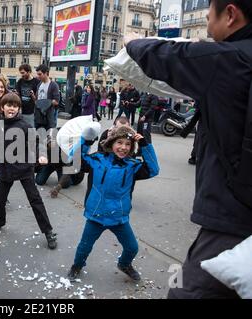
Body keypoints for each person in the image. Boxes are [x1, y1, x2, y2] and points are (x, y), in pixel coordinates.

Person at [126, 0, 252, 299]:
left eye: (209, 19)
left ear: (231, 14)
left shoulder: (232, 59)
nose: (207, 28)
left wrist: (133, 42)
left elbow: (168, 55)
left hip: (233, 216)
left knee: (182, 289)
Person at [67, 125, 159, 283]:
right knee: (84, 247)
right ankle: (77, 266)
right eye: (119, 142)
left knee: (132, 248)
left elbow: (153, 170)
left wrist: (144, 145)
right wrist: (86, 140)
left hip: (118, 217)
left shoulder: (132, 166)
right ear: (111, 143)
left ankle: (124, 264)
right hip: (96, 216)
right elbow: (75, 161)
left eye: (128, 144)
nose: (123, 147)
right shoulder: (97, 159)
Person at [0, 93, 58, 250]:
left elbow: (38, 142)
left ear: (19, 109)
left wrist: (42, 155)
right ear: (2, 107)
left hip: (24, 168)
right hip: (5, 169)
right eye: (8, 105)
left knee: (35, 200)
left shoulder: (25, 126)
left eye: (15, 106)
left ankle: (48, 231)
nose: (11, 108)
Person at [35, 64, 60, 130]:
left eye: (40, 74)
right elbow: (37, 99)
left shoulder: (54, 85)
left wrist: (45, 103)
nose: (38, 76)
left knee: (49, 133)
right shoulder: (39, 84)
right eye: (37, 74)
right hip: (39, 115)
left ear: (46, 73)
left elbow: (56, 101)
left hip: (49, 115)